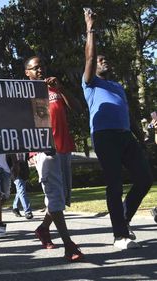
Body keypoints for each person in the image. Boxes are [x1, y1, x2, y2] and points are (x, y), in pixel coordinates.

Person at [83, 9, 152, 249]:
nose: (103, 61)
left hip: (125, 136)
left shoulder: (117, 86)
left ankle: (124, 219)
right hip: (104, 136)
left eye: (105, 59)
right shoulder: (90, 83)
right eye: (100, 60)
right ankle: (119, 236)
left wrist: (140, 136)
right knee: (114, 183)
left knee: (145, 179)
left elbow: (128, 112)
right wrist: (90, 27)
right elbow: (90, 59)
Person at [24, 55, 84, 261]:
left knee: (61, 197)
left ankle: (43, 228)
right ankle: (69, 245)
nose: (40, 70)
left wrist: (61, 89)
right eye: (35, 68)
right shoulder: (24, 94)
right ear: (27, 73)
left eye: (42, 67)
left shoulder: (54, 89)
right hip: (44, 151)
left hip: (64, 147)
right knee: (55, 196)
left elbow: (78, 109)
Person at [11, 153, 33, 219]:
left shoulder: (24, 148)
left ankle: (15, 207)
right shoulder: (10, 150)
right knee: (21, 191)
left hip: (24, 171)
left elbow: (27, 159)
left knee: (20, 190)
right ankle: (27, 211)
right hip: (15, 172)